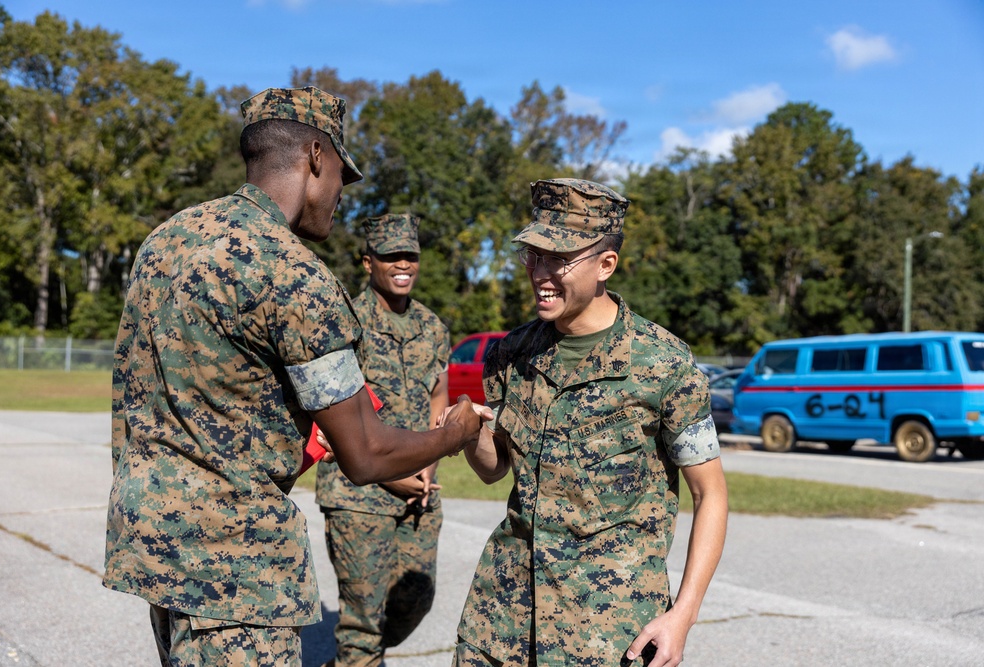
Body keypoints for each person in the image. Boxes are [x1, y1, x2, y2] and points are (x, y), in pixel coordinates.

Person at [104, 86, 486, 667]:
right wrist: (453, 434)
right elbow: (367, 454)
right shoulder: (291, 274)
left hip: (156, 543)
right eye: (339, 174)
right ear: (314, 157)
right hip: (237, 567)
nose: (340, 196)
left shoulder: (167, 240)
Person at [451, 178, 729, 667]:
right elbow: (495, 469)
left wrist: (682, 616)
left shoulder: (664, 365)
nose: (540, 272)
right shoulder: (510, 354)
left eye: (559, 258)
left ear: (605, 265)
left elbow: (711, 494)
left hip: (606, 631)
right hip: (502, 620)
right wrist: (471, 430)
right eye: (533, 255)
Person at [316, 212, 451, 667]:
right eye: (391, 255)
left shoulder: (432, 327)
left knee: (416, 598)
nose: (403, 264)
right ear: (368, 261)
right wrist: (390, 476)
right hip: (358, 492)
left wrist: (425, 469)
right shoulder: (344, 321)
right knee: (362, 624)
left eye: (410, 255)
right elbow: (329, 417)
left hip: (419, 492)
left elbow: (439, 399)